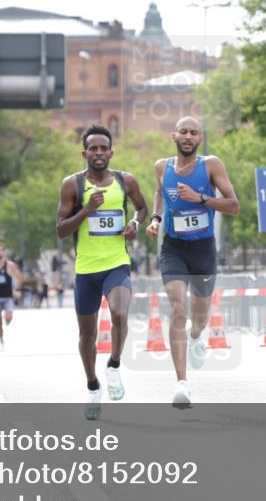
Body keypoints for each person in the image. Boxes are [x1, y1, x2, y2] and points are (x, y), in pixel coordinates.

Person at [146, 116, 240, 408]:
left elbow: (234, 206)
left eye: (194, 132)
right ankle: (182, 384)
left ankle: (197, 336)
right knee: (178, 308)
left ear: (200, 138)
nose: (188, 136)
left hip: (203, 249)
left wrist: (201, 198)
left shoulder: (211, 165)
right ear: (174, 136)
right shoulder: (161, 167)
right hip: (173, 248)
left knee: (199, 316)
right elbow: (160, 193)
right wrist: (155, 218)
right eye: (183, 132)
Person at [56, 124, 148, 420]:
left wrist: (135, 224)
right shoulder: (72, 185)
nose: (98, 153)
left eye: (103, 148)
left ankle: (114, 365)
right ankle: (93, 386)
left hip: (116, 264)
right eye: (93, 149)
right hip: (86, 270)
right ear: (84, 153)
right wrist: (86, 210)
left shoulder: (125, 181)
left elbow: (142, 209)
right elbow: (61, 230)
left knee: (120, 314)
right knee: (87, 335)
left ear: (111, 152)